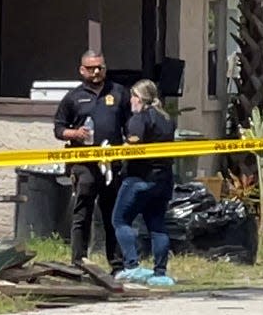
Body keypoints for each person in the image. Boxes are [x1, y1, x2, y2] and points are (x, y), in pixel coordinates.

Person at [53, 50, 130, 274]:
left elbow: (130, 125)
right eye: (91, 68)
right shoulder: (73, 98)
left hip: (111, 165)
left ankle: (117, 265)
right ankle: (79, 262)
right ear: (81, 70)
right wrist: (74, 133)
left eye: (100, 67)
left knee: (112, 215)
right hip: (84, 164)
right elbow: (58, 129)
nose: (96, 72)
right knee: (82, 214)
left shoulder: (118, 93)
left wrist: (130, 144)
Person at [112, 79, 176, 286]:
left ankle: (132, 266)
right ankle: (160, 273)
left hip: (140, 178)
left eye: (133, 96)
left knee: (120, 220)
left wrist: (113, 152)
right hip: (163, 180)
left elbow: (133, 146)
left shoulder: (139, 119)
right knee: (157, 225)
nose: (131, 100)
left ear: (139, 99)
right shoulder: (166, 119)